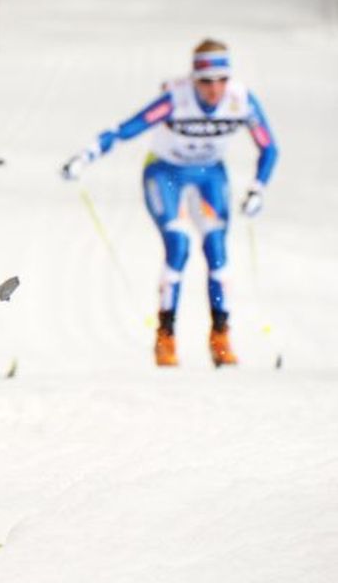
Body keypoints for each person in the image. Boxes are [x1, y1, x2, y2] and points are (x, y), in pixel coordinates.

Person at [60, 39, 279, 367]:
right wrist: (85, 156)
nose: (214, 89)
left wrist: (258, 188)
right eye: (205, 81)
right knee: (178, 246)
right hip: (165, 172)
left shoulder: (241, 100)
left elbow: (269, 147)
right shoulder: (176, 99)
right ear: (193, 79)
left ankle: (220, 336)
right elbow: (126, 129)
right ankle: (166, 337)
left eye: (221, 80)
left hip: (209, 175)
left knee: (217, 250)